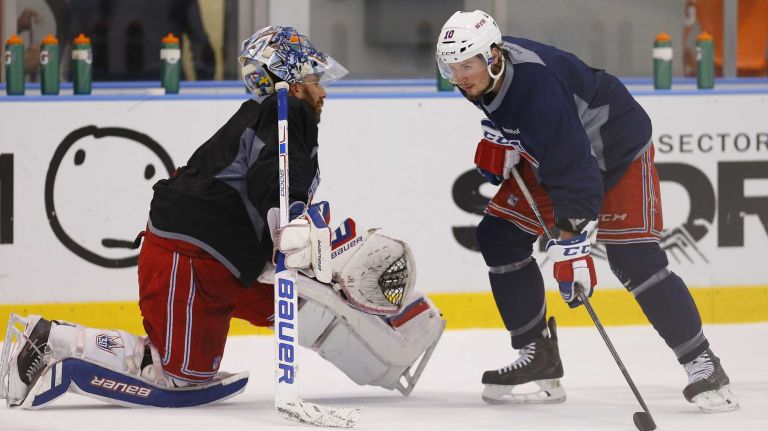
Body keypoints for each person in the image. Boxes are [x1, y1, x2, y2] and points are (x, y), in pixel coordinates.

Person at [1, 26, 445, 409]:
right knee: (179, 377)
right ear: (287, 79)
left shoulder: (276, 118)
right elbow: (269, 179)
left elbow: (268, 189)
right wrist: (292, 218)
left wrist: (299, 226)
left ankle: (395, 338)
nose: (323, 89)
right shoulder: (281, 117)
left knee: (303, 307)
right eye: (312, 78)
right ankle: (50, 340)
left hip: (224, 259)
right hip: (190, 259)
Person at [435, 10, 738, 412]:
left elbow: (576, 172)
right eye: (451, 68)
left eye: (466, 66)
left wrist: (572, 249)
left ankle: (703, 363)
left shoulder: (535, 85)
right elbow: (549, 141)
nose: (459, 77)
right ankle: (537, 357)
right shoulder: (484, 74)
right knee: (500, 235)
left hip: (615, 147)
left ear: (493, 55)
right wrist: (506, 138)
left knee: (634, 259)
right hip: (564, 153)